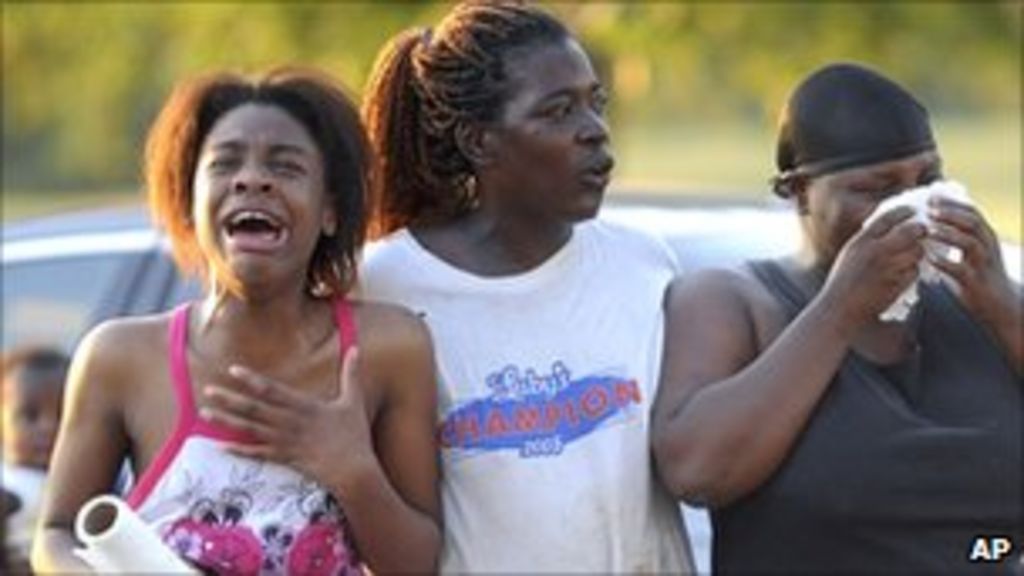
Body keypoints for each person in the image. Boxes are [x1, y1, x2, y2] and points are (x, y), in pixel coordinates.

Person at [207, 1, 694, 573]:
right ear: (478, 141)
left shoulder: (642, 264)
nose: (594, 131)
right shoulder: (378, 288)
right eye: (558, 111)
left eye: (596, 103)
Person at [31, 67, 441, 575]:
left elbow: (418, 566)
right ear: (189, 203)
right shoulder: (120, 357)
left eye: (287, 167)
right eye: (225, 164)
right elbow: (54, 535)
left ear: (329, 210)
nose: (251, 179)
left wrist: (351, 467)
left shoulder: (389, 347)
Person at [652, 62, 1022, 574]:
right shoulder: (735, 300)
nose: (912, 205)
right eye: (878, 189)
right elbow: (696, 471)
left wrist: (1002, 303)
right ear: (801, 192)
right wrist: (839, 311)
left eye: (928, 180)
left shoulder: (978, 300)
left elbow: (1000, 545)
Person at [2, 346, 68, 570]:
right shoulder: (6, 482)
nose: (48, 428)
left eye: (64, 414)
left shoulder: (81, 482)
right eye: (30, 415)